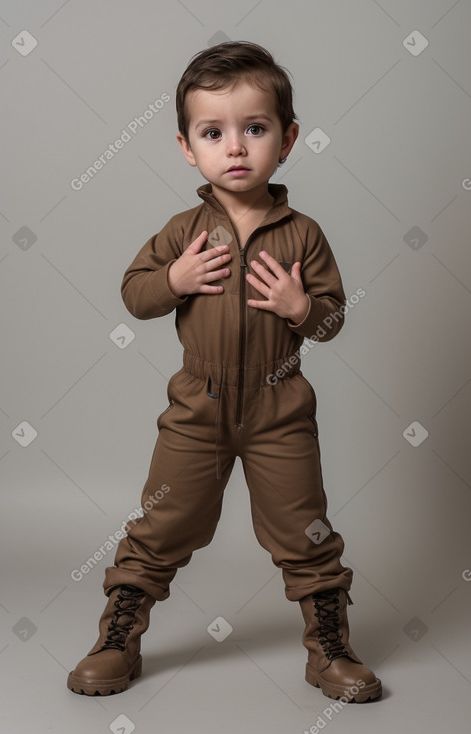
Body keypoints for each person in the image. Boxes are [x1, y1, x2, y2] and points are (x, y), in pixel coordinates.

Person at [67, 40, 382, 703]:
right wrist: (174, 279)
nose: (234, 147)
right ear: (188, 147)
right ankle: (117, 636)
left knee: (308, 532)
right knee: (160, 525)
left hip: (279, 408)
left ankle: (329, 647)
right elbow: (134, 294)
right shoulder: (183, 231)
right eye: (213, 132)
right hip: (197, 410)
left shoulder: (302, 234)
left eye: (255, 128)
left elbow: (331, 321)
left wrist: (303, 308)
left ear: (287, 139)